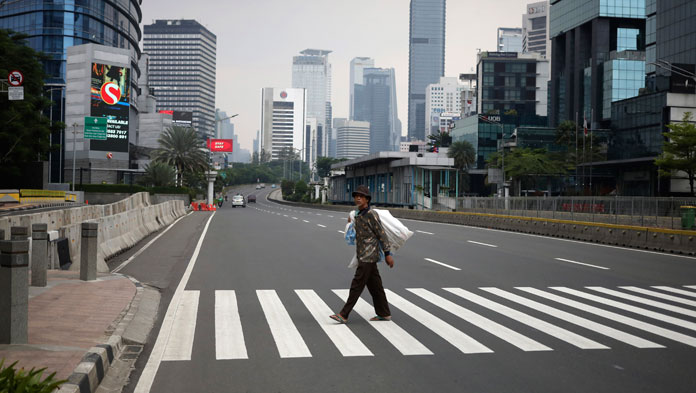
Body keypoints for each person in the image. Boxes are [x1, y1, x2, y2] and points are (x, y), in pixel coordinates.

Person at [330, 185, 394, 324]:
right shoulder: (358, 214)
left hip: (369, 255)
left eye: (361, 196)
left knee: (357, 284)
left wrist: (388, 254)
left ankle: (344, 314)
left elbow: (381, 234)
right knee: (375, 286)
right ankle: (384, 313)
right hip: (362, 254)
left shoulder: (371, 214)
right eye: (356, 196)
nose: (358, 198)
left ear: (367, 199)